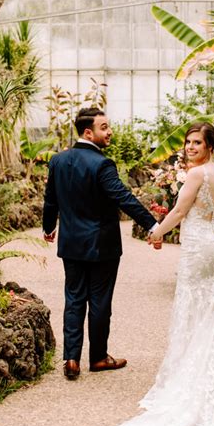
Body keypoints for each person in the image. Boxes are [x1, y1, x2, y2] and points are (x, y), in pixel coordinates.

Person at [92, 121, 214, 426]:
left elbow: (179, 211)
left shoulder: (195, 175)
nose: (190, 147)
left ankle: (191, 376)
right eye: (188, 143)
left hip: (197, 247)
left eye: (197, 143)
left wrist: (156, 232)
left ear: (209, 145)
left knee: (195, 307)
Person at [42, 107, 159, 380]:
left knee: (73, 299)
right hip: (101, 246)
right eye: (104, 127)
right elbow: (123, 198)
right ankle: (97, 358)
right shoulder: (101, 164)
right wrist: (153, 226)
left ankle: (71, 359)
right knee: (99, 302)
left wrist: (49, 228)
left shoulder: (57, 161)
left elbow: (51, 200)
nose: (109, 132)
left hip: (71, 244)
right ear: (88, 132)